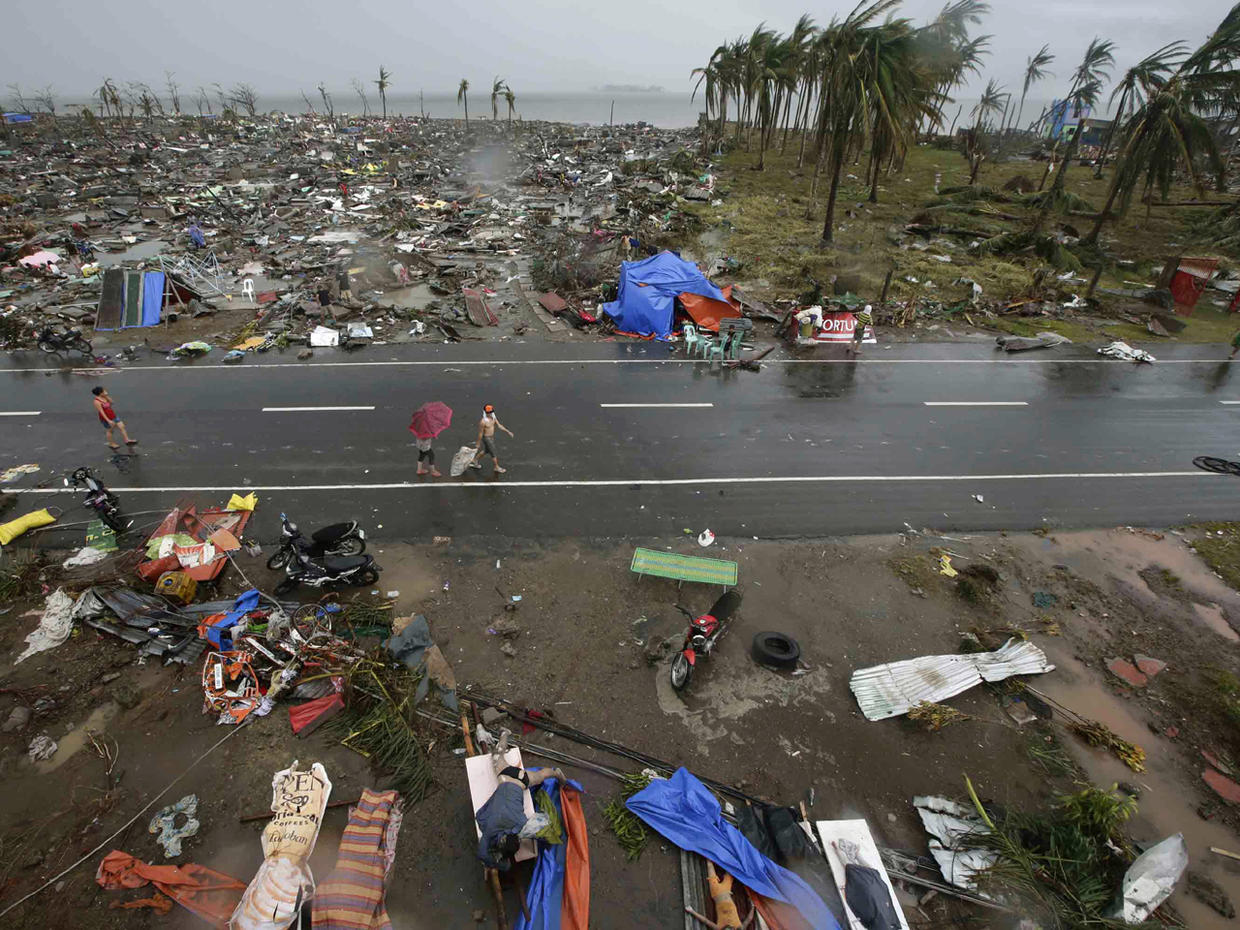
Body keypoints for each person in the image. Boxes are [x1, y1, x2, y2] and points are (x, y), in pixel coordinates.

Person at [474, 729, 564, 871]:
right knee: (498, 756)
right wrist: (501, 864)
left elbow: (541, 830)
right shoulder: (491, 826)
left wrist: (502, 865)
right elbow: (481, 853)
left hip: (521, 781)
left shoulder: (521, 824)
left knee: (538, 775)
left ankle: (504, 733)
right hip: (506, 777)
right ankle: (556, 774)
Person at [472, 404, 514, 475]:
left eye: (490, 412)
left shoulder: (493, 418)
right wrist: (478, 443)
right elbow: (480, 433)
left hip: (491, 438)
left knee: (486, 451)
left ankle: (474, 460)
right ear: (485, 412)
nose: (490, 414)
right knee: (493, 452)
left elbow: (499, 425)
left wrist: (508, 431)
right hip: (486, 438)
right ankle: (496, 467)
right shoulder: (483, 422)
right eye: (488, 413)